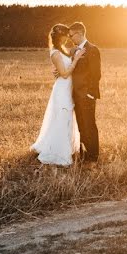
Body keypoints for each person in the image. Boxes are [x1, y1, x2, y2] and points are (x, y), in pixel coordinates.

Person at [31, 24, 85, 166]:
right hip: (62, 90)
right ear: (59, 37)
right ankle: (58, 152)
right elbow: (65, 74)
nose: (69, 38)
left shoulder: (63, 50)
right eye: (66, 36)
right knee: (62, 117)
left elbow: (63, 69)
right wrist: (77, 58)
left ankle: (65, 147)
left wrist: (73, 56)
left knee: (66, 117)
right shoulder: (55, 52)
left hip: (67, 89)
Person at [66, 22, 102, 162]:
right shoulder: (75, 51)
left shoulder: (92, 49)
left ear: (80, 33)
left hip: (87, 95)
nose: (70, 39)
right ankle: (84, 155)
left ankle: (93, 157)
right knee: (81, 126)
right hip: (76, 95)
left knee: (89, 126)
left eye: (71, 35)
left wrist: (90, 93)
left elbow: (96, 74)